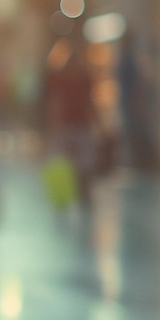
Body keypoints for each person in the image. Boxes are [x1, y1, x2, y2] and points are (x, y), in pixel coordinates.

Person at [44, 41, 99, 210]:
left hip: (75, 123)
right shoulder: (68, 78)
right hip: (71, 124)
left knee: (79, 160)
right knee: (74, 161)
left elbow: (87, 102)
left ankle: (79, 192)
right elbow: (58, 103)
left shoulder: (78, 78)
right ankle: (73, 192)